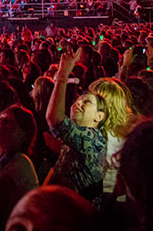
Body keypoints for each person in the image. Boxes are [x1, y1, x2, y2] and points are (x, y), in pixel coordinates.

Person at [44, 47, 107, 200]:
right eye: (78, 100)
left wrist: (62, 74)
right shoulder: (81, 138)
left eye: (86, 102)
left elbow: (55, 119)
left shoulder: (92, 137)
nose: (78, 103)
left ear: (99, 116)